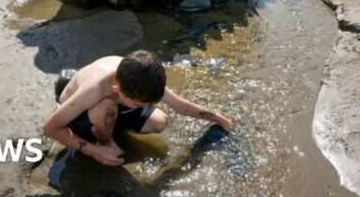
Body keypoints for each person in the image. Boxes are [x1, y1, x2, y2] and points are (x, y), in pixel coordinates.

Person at [43, 51, 235, 166]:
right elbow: (50, 128)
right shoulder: (96, 88)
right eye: (140, 104)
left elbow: (181, 106)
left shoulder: (144, 76)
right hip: (83, 115)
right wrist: (92, 151)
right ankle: (103, 141)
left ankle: (111, 125)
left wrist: (219, 119)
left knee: (160, 121)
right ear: (118, 89)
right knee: (106, 106)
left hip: (117, 105)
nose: (146, 107)